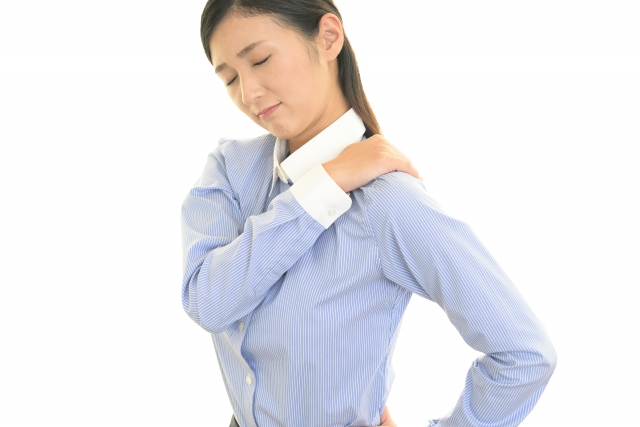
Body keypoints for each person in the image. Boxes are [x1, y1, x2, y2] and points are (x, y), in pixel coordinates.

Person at [180, 1, 557, 426]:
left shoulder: (390, 203)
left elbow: (525, 355)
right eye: (229, 79)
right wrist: (327, 182)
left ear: (328, 37)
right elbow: (208, 303)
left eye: (261, 60)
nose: (248, 93)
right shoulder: (230, 170)